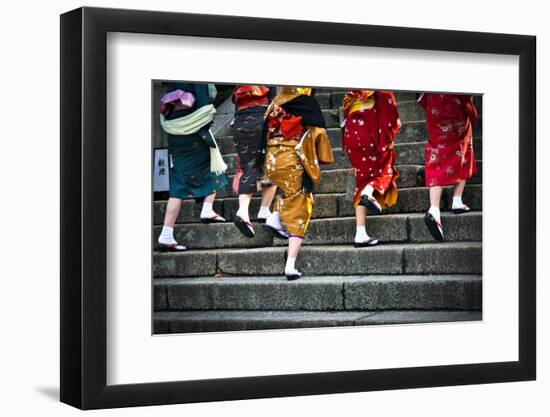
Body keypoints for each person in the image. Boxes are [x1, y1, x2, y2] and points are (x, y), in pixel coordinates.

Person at [259, 87, 334, 280]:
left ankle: (275, 217)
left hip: (272, 160)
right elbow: (318, 134)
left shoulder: (273, 104)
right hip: (292, 160)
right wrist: (322, 156)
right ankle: (290, 265)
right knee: (300, 209)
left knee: (287, 193)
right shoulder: (305, 103)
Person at [157, 82, 228, 251]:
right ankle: (207, 208)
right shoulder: (197, 79)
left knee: (178, 183)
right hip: (194, 133)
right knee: (214, 167)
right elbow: (206, 108)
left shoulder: (172, 81)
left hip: (174, 133)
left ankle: (166, 232)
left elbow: (164, 109)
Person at [341, 90, 401, 247]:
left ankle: (360, 233)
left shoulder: (351, 89)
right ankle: (369, 192)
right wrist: (389, 136)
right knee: (384, 167)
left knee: (362, 179)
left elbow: (346, 110)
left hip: (351, 131)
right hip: (369, 125)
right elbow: (388, 104)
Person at [418, 93, 478, 241]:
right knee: (464, 149)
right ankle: (457, 199)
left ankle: (434, 208)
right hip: (455, 104)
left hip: (434, 107)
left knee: (436, 156)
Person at [231, 85, 278, 238]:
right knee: (271, 164)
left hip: (239, 120)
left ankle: (256, 210)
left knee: (249, 165)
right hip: (261, 119)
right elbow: (275, 99)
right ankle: (250, 210)